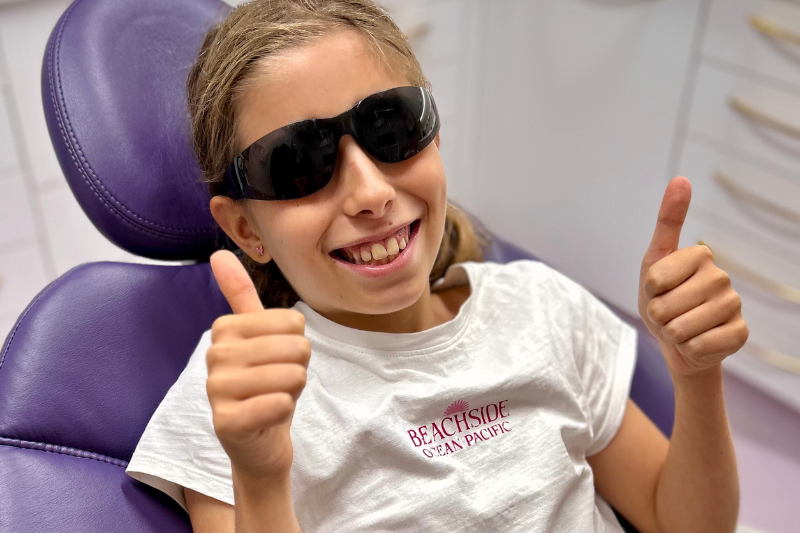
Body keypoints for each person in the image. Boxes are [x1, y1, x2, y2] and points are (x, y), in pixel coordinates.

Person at [125, 1, 749, 532]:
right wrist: (260, 478)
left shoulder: (541, 308)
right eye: (295, 162)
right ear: (245, 229)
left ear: (433, 133)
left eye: (389, 125)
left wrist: (697, 375)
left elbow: (682, 522)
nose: (369, 191)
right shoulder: (240, 390)